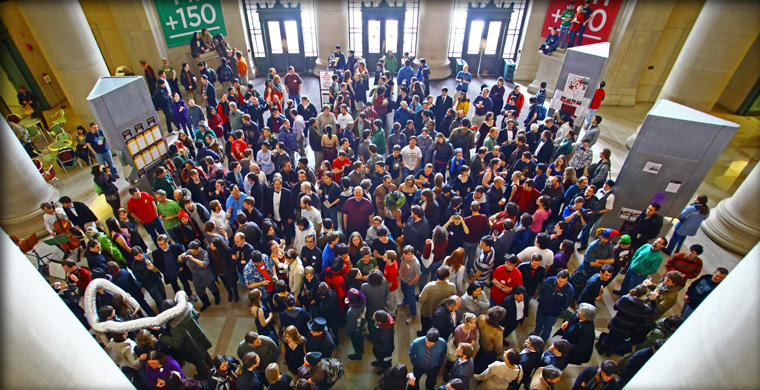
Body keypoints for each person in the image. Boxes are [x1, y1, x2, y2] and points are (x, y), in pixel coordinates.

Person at [159, 299, 213, 380]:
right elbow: (197, 314)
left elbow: (177, 342)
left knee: (198, 361)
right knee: (204, 352)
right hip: (198, 336)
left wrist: (162, 338)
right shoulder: (187, 310)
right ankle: (211, 365)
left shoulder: (175, 325)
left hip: (190, 346)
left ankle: (205, 374)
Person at [597, 285, 653, 357]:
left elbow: (615, 307)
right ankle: (609, 352)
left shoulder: (625, 299)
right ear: (644, 295)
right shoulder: (644, 307)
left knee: (609, 337)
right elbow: (653, 311)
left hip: (617, 323)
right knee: (618, 340)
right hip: (628, 328)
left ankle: (601, 350)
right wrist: (653, 300)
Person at [533, 270, 574, 341]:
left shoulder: (569, 291)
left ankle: (543, 340)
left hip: (553, 313)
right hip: (542, 308)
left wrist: (557, 309)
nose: (561, 284)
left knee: (547, 327)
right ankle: (537, 331)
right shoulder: (549, 281)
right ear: (557, 278)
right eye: (560, 281)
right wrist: (542, 300)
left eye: (564, 282)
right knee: (538, 321)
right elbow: (541, 290)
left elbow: (566, 304)